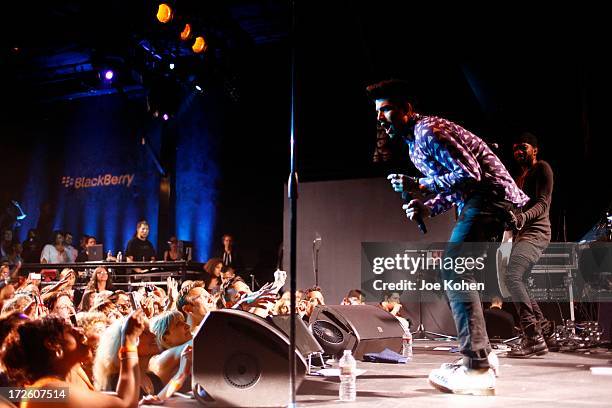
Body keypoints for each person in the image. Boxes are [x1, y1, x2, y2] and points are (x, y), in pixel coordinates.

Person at [368, 79, 528, 395]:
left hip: (489, 198)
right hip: (480, 200)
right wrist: (427, 207)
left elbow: (471, 175)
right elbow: (458, 188)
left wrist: (422, 185)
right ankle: (482, 357)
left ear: (406, 109)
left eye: (386, 109)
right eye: (377, 112)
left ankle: (477, 366)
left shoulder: (428, 131)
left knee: (455, 268)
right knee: (460, 270)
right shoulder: (415, 144)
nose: (380, 118)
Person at [1, 312, 147, 408]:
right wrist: (129, 340)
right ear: (53, 345)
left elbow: (118, 400)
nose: (79, 330)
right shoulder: (48, 392)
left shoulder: (56, 385)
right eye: (68, 329)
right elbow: (125, 403)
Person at [505, 132, 555, 357]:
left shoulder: (542, 168)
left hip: (536, 233)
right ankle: (543, 329)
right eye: (515, 148)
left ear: (535, 150)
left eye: (522, 147)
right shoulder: (520, 178)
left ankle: (533, 336)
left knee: (513, 278)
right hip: (523, 235)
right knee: (521, 281)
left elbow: (543, 203)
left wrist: (522, 218)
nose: (518, 152)